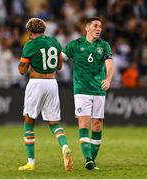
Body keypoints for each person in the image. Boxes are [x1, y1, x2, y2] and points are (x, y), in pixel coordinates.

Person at [18, 18, 73, 171]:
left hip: (36, 83)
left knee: (29, 121)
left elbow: (22, 70)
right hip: (52, 83)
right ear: (44, 30)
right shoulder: (54, 42)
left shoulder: (30, 45)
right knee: (54, 123)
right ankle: (65, 146)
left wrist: (24, 62)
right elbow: (60, 66)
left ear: (29, 32)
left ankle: (31, 163)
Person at [62, 17, 114, 170]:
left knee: (97, 124)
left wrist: (109, 78)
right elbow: (60, 59)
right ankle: (88, 159)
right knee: (83, 122)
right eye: (96, 25)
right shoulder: (75, 45)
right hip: (81, 90)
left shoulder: (104, 45)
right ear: (87, 28)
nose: (99, 29)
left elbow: (110, 63)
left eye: (101, 26)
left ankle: (92, 159)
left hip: (98, 89)